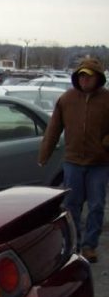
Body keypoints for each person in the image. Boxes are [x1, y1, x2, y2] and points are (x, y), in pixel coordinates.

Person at [39, 58, 109, 263]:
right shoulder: (66, 99)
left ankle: (89, 246)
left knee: (96, 206)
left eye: (89, 76)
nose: (85, 80)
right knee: (72, 205)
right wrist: (44, 155)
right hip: (73, 162)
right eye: (81, 76)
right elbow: (53, 130)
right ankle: (74, 245)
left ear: (98, 78)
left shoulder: (107, 100)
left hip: (100, 163)